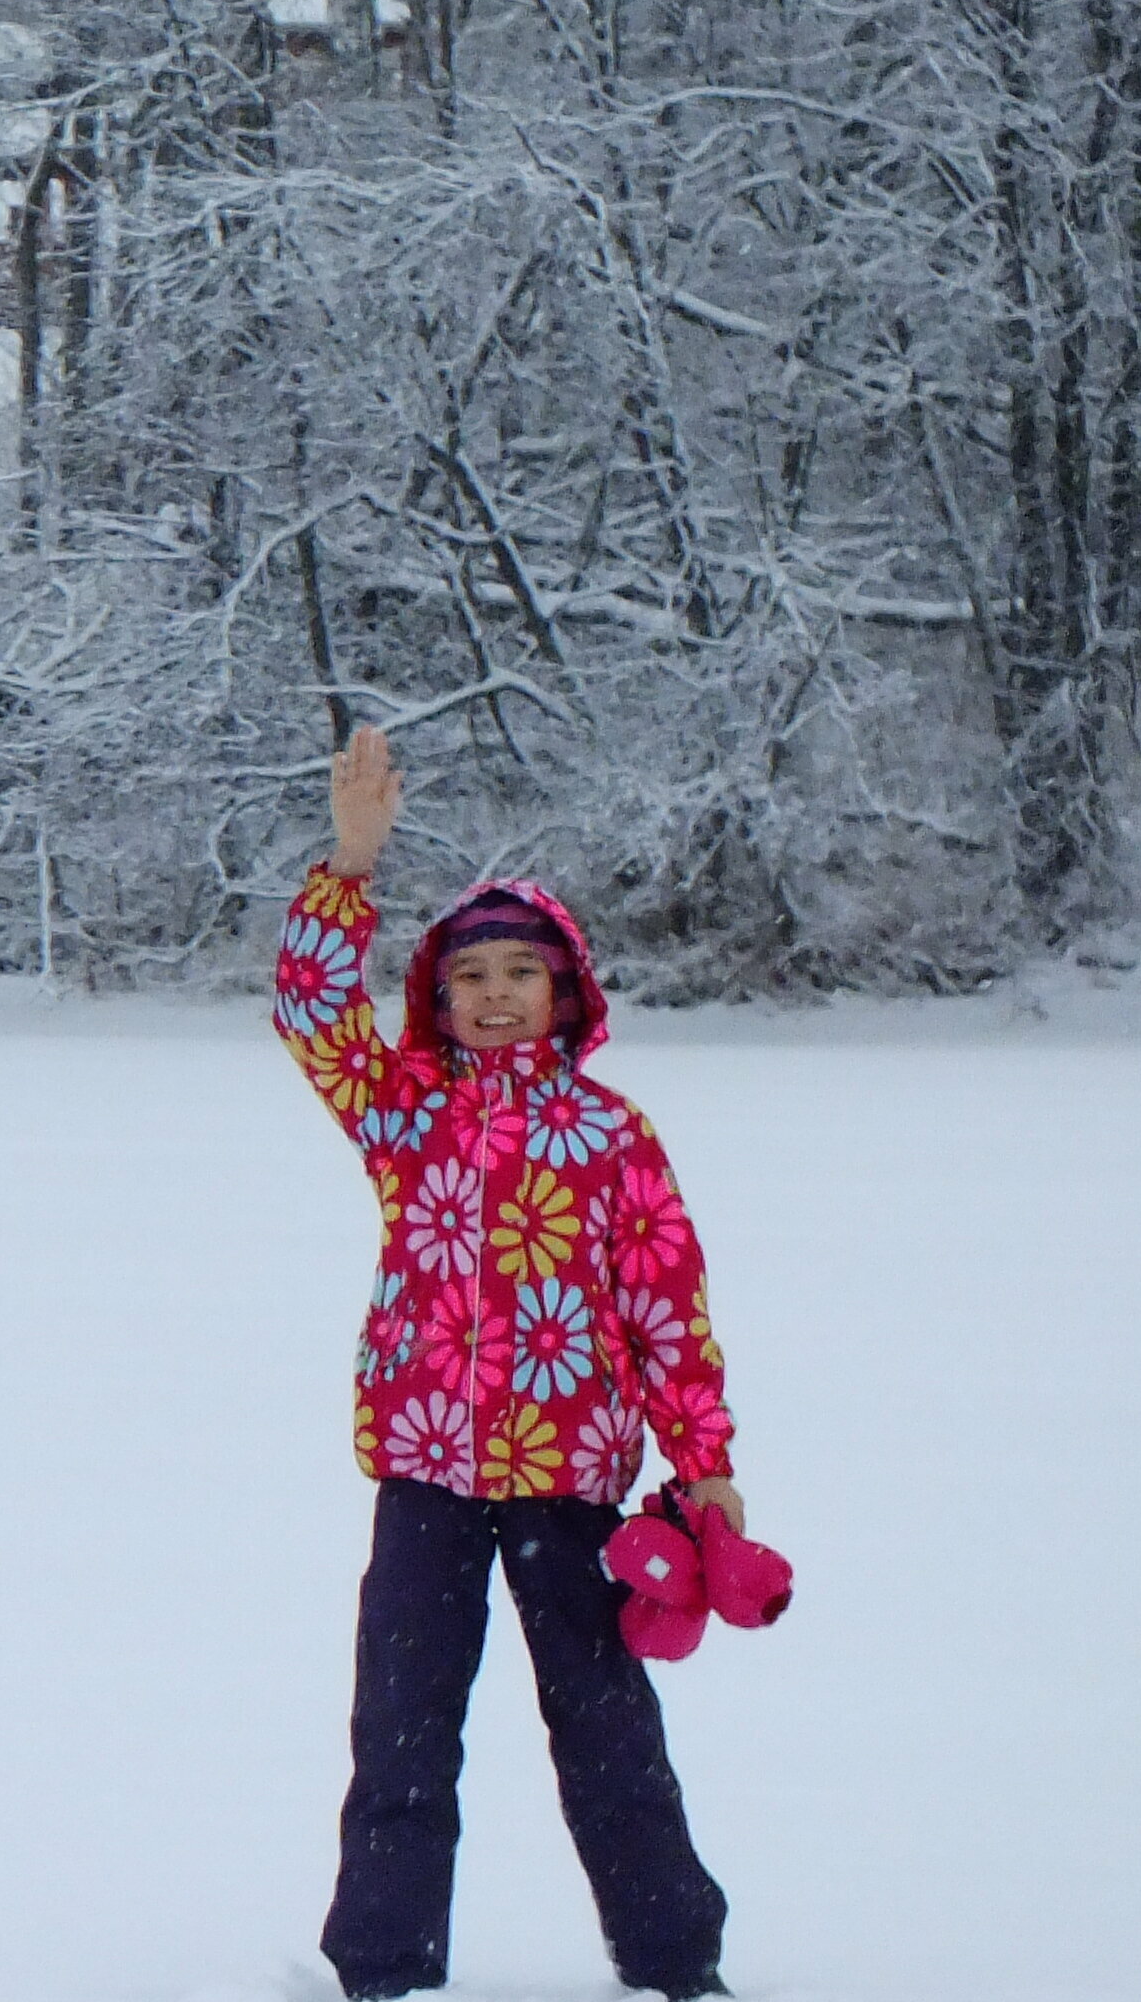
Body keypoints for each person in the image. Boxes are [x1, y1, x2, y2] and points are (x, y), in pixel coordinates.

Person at [275, 726, 743, 2001]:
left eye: (518, 973)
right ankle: (380, 1960)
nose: (491, 994)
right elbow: (312, 1014)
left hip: (572, 1483)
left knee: (605, 1729)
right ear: (436, 995)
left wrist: (705, 1468)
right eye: (468, 973)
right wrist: (349, 867)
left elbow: (666, 1306)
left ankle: (675, 1956)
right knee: (403, 1728)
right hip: (427, 1472)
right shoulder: (407, 1114)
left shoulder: (609, 1134)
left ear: (565, 992)